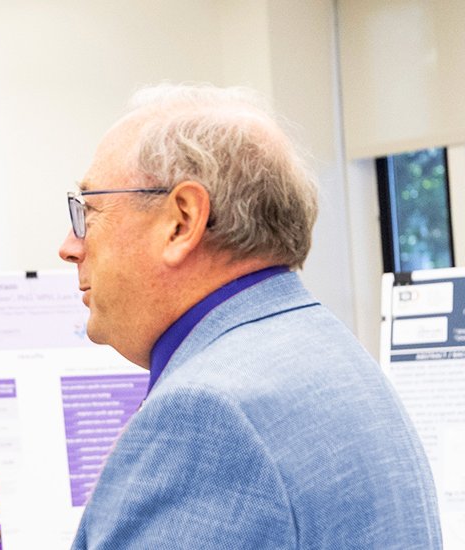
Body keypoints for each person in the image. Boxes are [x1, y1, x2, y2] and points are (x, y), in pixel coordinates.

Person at [59, 83, 440, 548]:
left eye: (89, 210)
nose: (69, 247)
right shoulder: (331, 356)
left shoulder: (206, 415)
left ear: (182, 221)